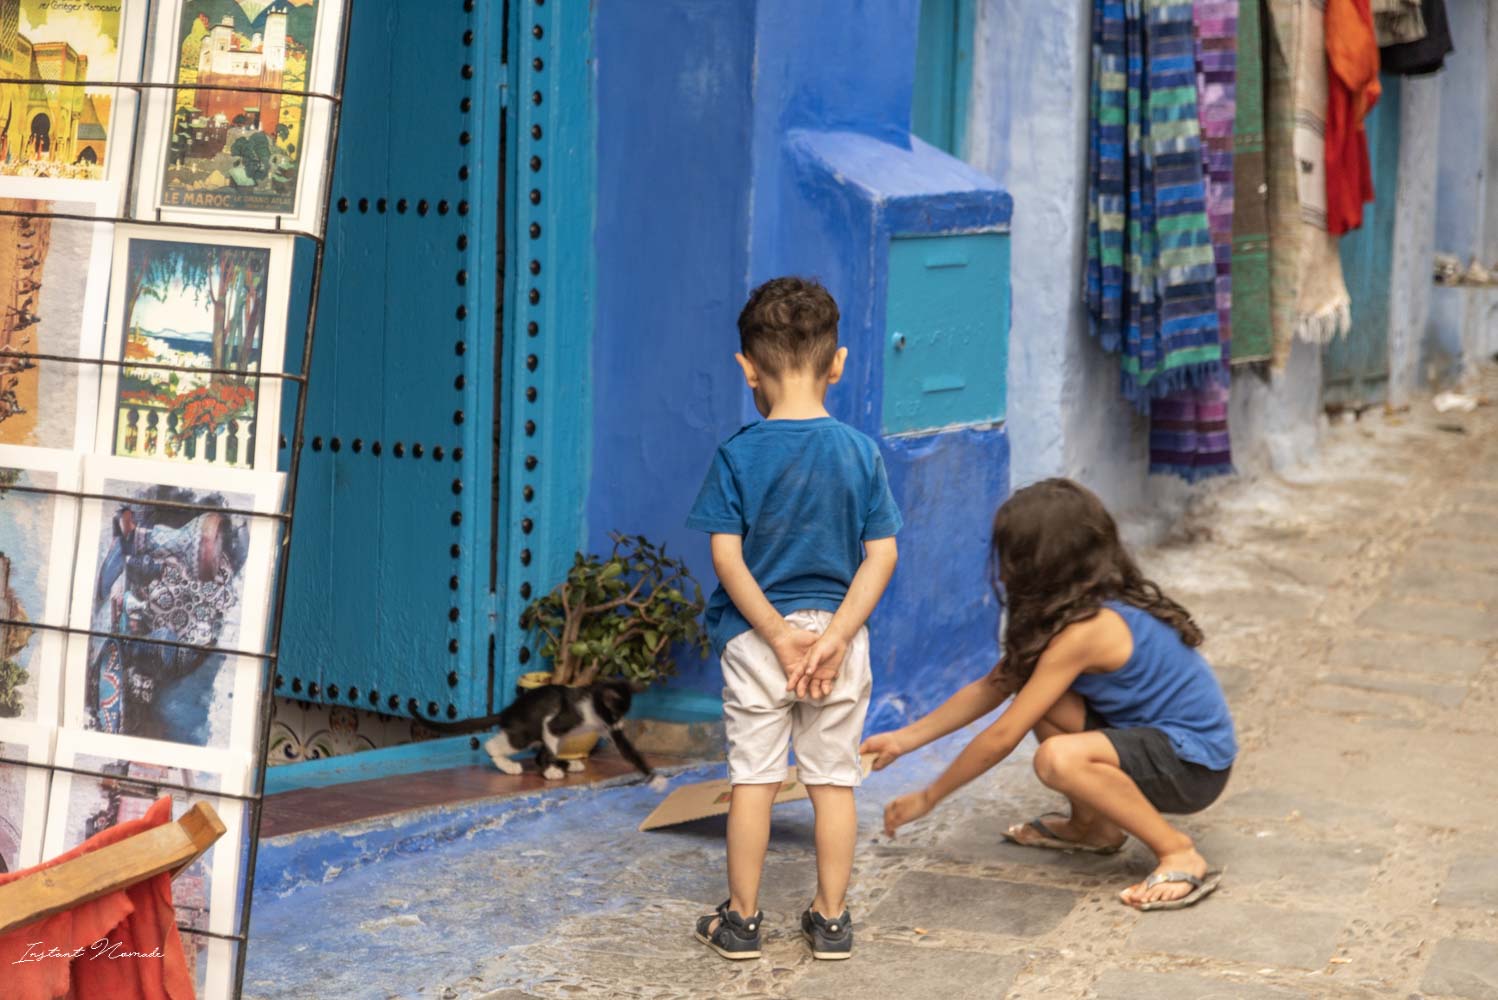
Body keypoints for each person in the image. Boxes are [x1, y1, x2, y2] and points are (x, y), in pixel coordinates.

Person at [862, 479, 1236, 911]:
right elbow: (991, 687)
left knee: (1058, 758)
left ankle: (1177, 851)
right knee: (1042, 699)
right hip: (1158, 741)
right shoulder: (1072, 613)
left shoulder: (1086, 631)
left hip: (1193, 766)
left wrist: (929, 797)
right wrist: (903, 740)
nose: (1001, 573)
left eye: (1010, 559)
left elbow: (1002, 736)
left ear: (1039, 567)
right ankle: (1094, 828)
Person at [686, 276, 901, 960]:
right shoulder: (860, 453)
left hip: (758, 642)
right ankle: (831, 919)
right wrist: (833, 637)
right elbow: (881, 556)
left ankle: (743, 921)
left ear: (747, 367)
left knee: (753, 779)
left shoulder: (738, 455)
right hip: (839, 642)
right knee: (833, 781)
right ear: (837, 364)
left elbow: (727, 560)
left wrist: (778, 635)